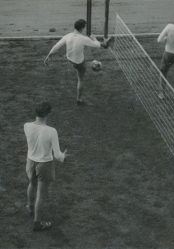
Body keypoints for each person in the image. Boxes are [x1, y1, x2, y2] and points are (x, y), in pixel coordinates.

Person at [44, 19, 112, 105]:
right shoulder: (84, 39)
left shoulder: (68, 36)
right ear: (82, 28)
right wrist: (95, 39)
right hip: (79, 63)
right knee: (81, 79)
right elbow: (99, 45)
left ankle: (93, 63)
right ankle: (79, 100)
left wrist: (48, 56)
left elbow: (56, 46)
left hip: (70, 59)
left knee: (84, 52)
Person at [24, 101, 68, 232]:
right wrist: (64, 157)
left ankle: (30, 208)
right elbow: (58, 156)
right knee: (41, 195)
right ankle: (37, 223)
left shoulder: (26, 126)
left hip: (30, 161)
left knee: (32, 184)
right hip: (44, 165)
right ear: (47, 113)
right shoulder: (51, 131)